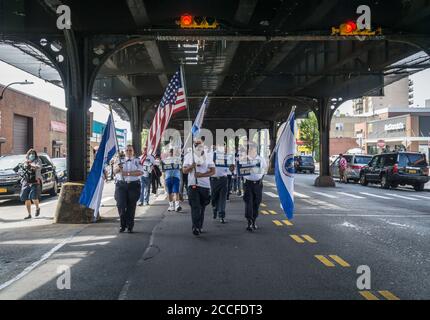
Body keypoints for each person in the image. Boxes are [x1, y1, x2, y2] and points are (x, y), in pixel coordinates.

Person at [183, 139, 215, 236]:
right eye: (196, 144)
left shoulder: (208, 156)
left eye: (199, 144)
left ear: (203, 145)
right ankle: (195, 227)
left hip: (204, 186)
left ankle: (199, 225)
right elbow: (184, 171)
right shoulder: (189, 156)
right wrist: (191, 167)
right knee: (195, 206)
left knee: (202, 207)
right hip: (193, 185)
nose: (198, 145)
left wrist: (202, 175)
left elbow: (213, 171)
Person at [114, 145, 143, 233]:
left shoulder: (137, 161)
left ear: (133, 151)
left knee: (131, 206)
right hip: (121, 185)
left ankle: (130, 226)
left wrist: (127, 173)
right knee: (121, 205)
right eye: (127, 150)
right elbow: (114, 171)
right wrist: (119, 168)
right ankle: (122, 225)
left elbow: (140, 172)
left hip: (133, 186)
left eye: (130, 150)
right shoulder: (119, 160)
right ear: (124, 152)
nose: (128, 152)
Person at [242, 142, 267, 232]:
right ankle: (249, 221)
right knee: (249, 203)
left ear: (255, 149)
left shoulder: (261, 159)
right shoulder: (244, 159)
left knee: (256, 203)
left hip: (258, 184)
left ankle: (254, 221)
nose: (250, 150)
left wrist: (260, 178)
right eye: (249, 149)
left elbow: (264, 170)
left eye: (252, 148)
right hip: (248, 184)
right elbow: (240, 171)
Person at [14, 149, 42, 220]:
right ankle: (29, 214)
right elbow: (20, 169)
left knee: (33, 197)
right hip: (26, 181)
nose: (31, 155)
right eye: (30, 154)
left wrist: (31, 165)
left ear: (35, 155)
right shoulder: (25, 161)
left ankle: (37, 208)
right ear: (28, 155)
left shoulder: (38, 160)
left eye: (33, 154)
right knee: (25, 197)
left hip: (35, 180)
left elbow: (38, 167)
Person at [210, 144, 229, 223]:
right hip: (214, 179)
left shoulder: (227, 156)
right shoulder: (212, 154)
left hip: (223, 179)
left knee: (222, 198)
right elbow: (210, 164)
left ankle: (221, 215)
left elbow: (231, 167)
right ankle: (215, 208)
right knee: (214, 197)